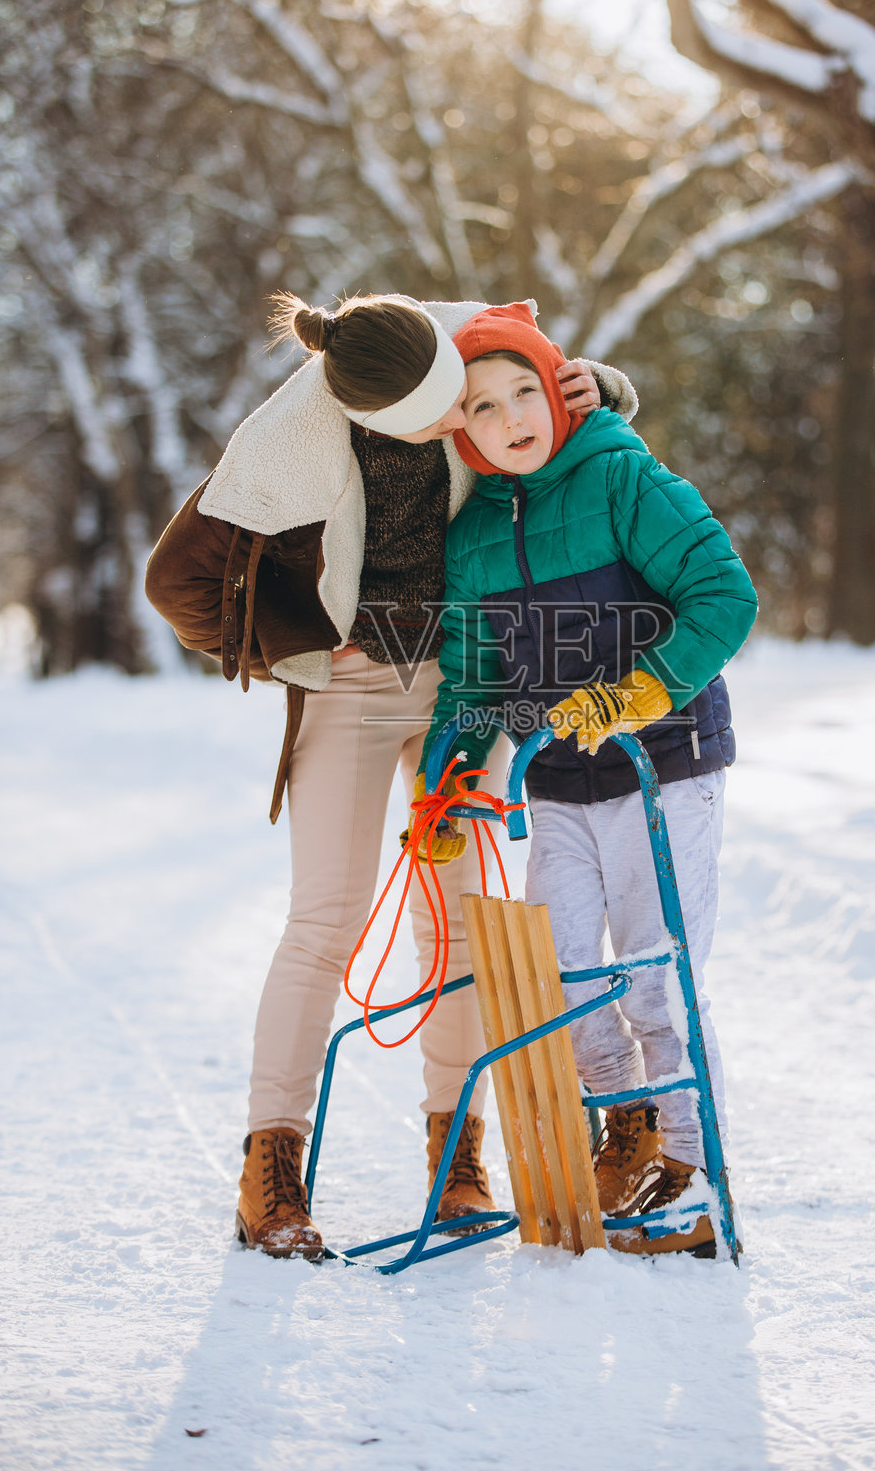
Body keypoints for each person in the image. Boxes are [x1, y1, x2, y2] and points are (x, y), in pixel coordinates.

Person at [145, 292, 639, 1259]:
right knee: (325, 917)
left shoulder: (455, 341)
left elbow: (545, 401)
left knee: (456, 917)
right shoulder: (287, 440)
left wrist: (604, 387)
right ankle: (270, 1171)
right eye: (436, 416)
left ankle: (457, 1158)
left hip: (463, 677)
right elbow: (176, 584)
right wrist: (288, 650)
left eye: (459, 397)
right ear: (366, 412)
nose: (461, 419)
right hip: (352, 683)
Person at [417, 302, 757, 1257]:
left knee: (655, 978)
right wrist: (443, 783)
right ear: (462, 430)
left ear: (559, 390)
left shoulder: (620, 476)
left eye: (523, 390)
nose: (510, 417)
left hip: (664, 764)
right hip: (558, 781)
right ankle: (629, 1129)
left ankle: (693, 1173)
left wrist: (639, 692)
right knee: (565, 979)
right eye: (484, 407)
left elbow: (724, 596)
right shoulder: (471, 533)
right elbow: (473, 679)